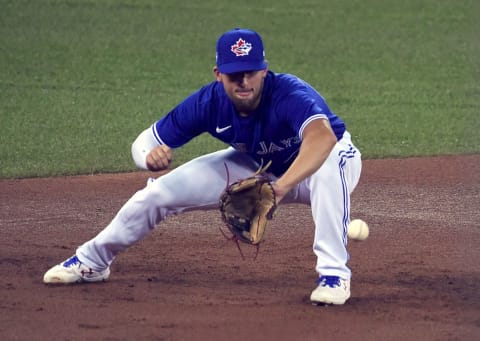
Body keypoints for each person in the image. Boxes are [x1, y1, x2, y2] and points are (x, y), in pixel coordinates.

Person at [43, 28, 362, 305]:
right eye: (234, 73)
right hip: (257, 166)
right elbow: (144, 142)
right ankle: (92, 261)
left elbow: (322, 140)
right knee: (158, 193)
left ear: (264, 71)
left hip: (327, 164)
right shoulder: (208, 103)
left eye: (251, 71)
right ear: (218, 74)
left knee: (329, 165)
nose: (243, 81)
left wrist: (280, 188)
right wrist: (148, 157)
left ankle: (334, 275)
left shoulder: (289, 93)